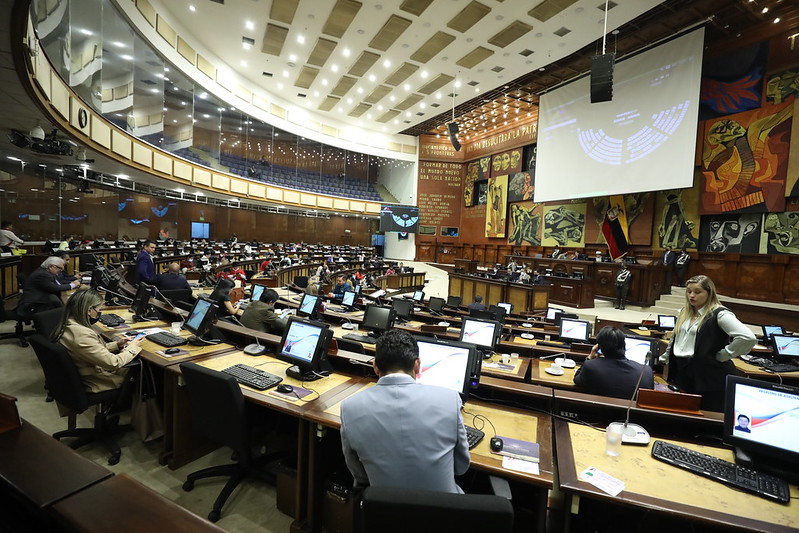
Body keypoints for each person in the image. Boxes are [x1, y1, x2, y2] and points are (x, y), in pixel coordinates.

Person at [340, 330, 469, 493]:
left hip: (384, 510)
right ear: (417, 364)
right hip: (443, 511)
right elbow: (461, 467)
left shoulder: (349, 408)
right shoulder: (450, 399)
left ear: (375, 366)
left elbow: (359, 475)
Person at [659, 275, 756, 411]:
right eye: (689, 291)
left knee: (705, 414)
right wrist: (664, 358)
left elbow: (748, 337)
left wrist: (724, 355)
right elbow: (676, 337)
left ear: (709, 293)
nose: (692, 296)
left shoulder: (719, 314)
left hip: (709, 376)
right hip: (684, 371)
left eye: (697, 292)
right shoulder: (683, 312)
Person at [51, 289, 143, 393]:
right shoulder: (82, 335)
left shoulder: (69, 324)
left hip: (87, 370)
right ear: (89, 310)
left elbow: (89, 350)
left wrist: (117, 344)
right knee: (146, 371)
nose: (100, 313)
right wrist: (132, 347)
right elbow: (113, 363)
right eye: (99, 309)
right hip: (97, 380)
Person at [573, 326, 654, 400]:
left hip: (598, 414)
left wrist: (590, 357)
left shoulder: (591, 366)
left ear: (599, 347)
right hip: (632, 415)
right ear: (624, 345)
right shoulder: (646, 371)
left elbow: (577, 380)